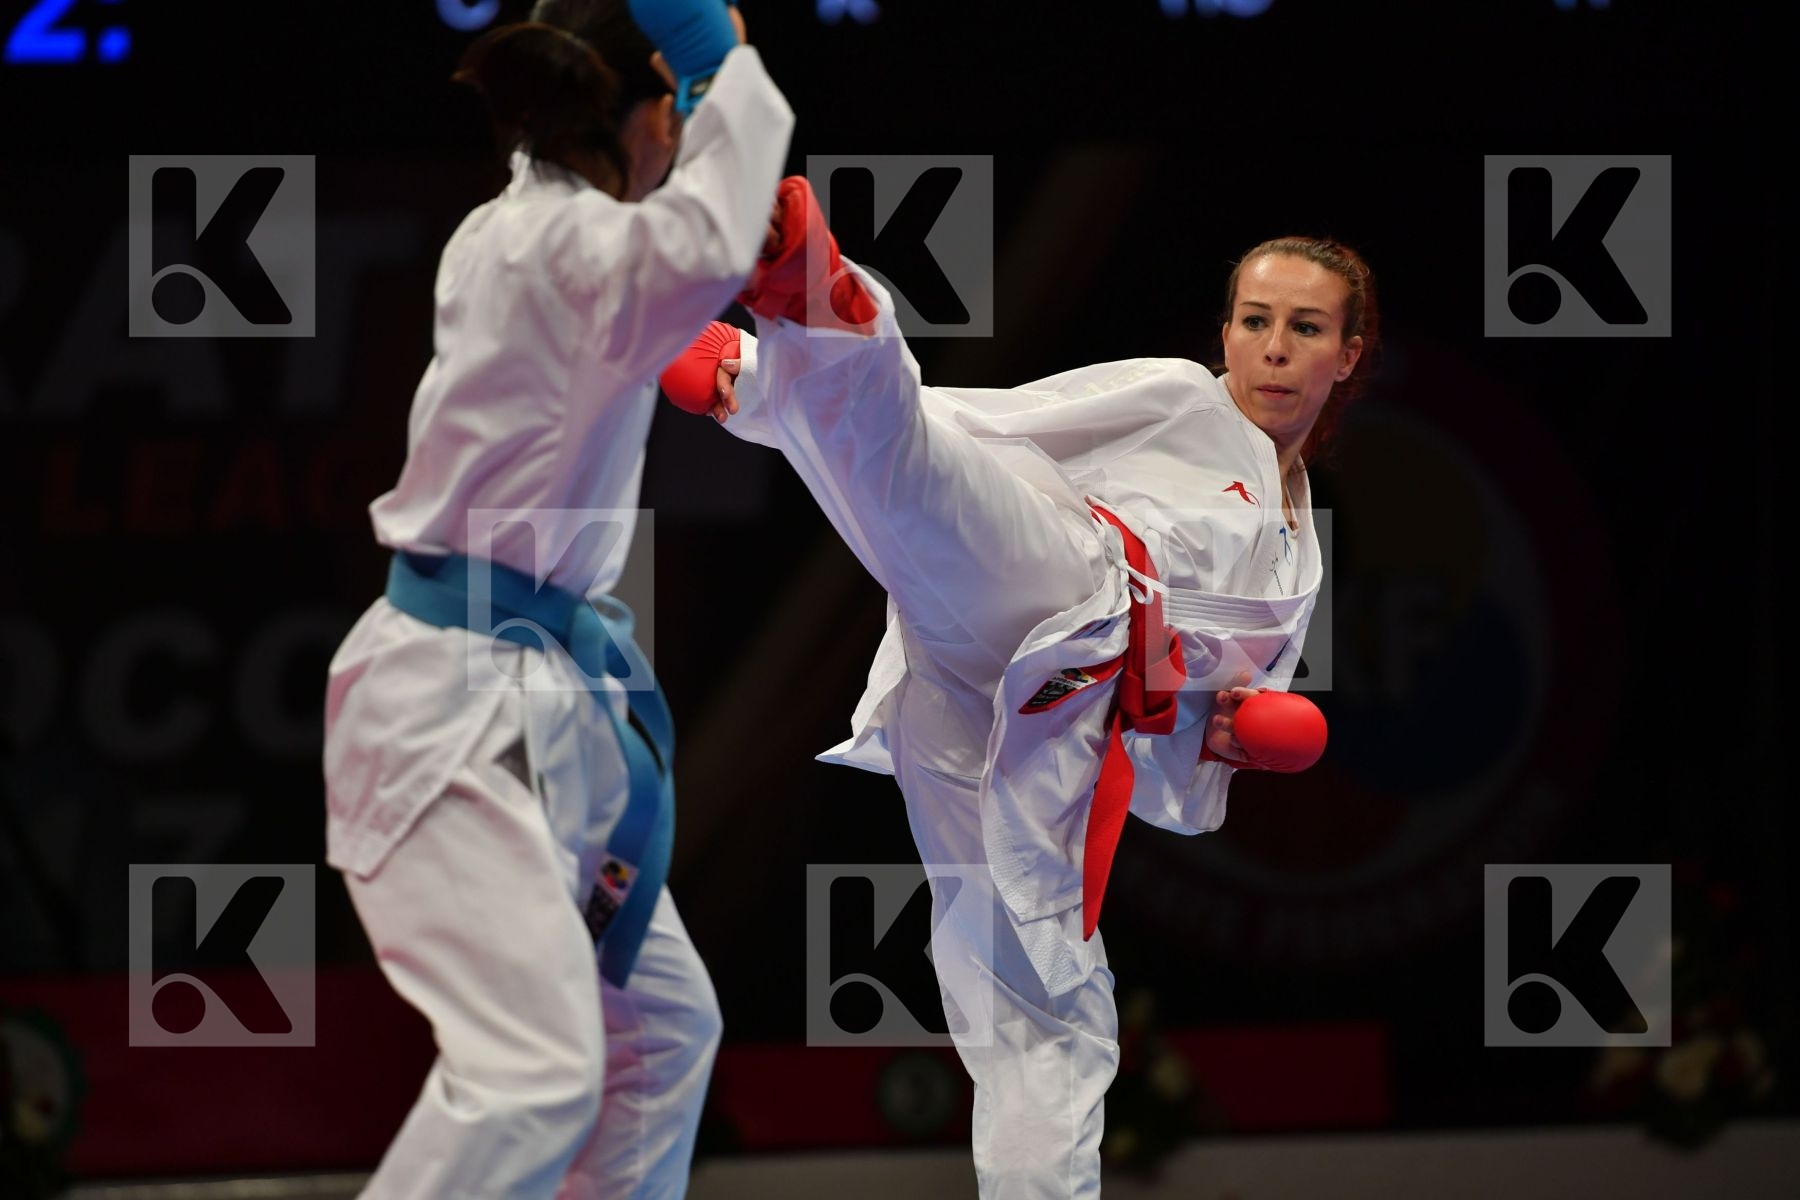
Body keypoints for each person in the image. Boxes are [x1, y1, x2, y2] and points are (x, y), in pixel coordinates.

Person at [661, 187, 1375, 1197]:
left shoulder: (1297, 561)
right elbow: (982, 422)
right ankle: (802, 307)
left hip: (1025, 736)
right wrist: (763, 397)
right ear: (1225, 332)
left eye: (1305, 328)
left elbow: (1179, 778)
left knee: (1052, 1018)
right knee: (921, 470)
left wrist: (1233, 737)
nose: (1272, 347)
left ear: (1345, 355)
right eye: (1255, 321)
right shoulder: (1181, 398)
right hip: (1060, 581)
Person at [320, 2, 792, 1195]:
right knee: (532, 1073)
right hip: (451, 711)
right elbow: (708, 239)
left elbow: (690, 238)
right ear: (641, 115)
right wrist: (718, 61)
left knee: (661, 1033)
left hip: (533, 695)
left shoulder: (524, 230)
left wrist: (691, 73)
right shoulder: (568, 249)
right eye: (675, 116)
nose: (685, 141)